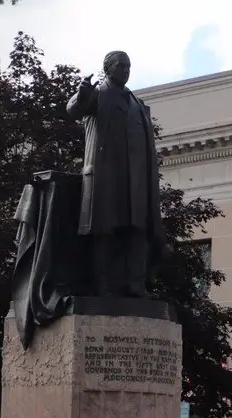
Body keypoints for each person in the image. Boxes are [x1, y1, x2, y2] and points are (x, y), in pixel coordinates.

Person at [66, 50, 167, 297]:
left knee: (137, 230)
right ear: (108, 68)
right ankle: (103, 285)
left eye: (129, 66)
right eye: (121, 66)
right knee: (104, 231)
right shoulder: (98, 93)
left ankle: (135, 285)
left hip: (135, 179)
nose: (126, 70)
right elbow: (73, 110)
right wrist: (82, 94)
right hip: (106, 175)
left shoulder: (137, 103)